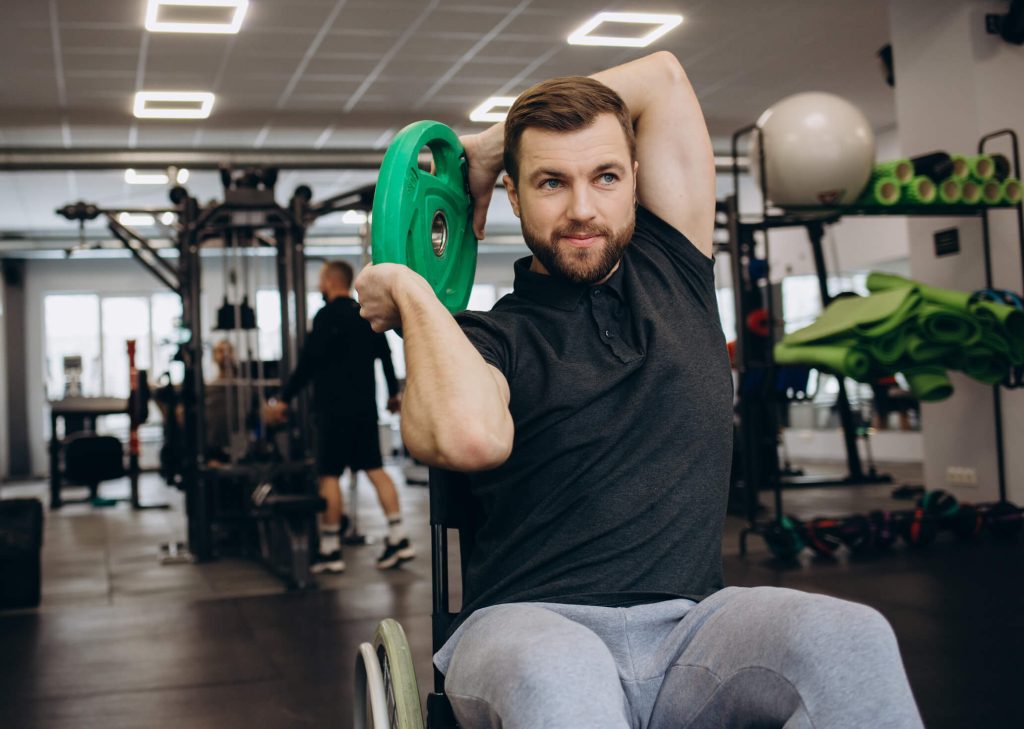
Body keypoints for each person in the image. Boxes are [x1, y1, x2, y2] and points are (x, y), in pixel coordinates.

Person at [356, 52, 923, 728]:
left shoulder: (674, 265)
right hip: (527, 625)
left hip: (691, 628)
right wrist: (409, 288)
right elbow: (467, 435)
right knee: (561, 672)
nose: (582, 209)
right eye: (550, 182)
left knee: (850, 637)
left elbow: (664, 76)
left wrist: (486, 145)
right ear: (513, 196)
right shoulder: (488, 338)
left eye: (604, 176)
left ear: (634, 180)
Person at [265, 261, 414, 573]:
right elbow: (385, 355)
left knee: (329, 476)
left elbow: (306, 363)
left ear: (330, 282)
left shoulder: (325, 317)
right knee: (375, 469)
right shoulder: (365, 314)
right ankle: (399, 537)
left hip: (332, 412)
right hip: (363, 410)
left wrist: (284, 399)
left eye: (321, 280)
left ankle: (331, 551)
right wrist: (392, 394)